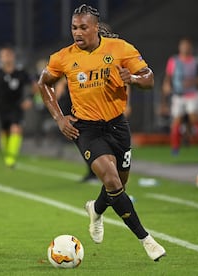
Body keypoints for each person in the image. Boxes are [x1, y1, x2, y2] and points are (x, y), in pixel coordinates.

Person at [37, 4, 166, 261]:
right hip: (86, 129)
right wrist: (60, 118)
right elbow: (44, 83)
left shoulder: (119, 49)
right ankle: (146, 239)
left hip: (118, 126)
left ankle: (95, 210)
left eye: (83, 27)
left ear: (96, 27)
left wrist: (135, 79)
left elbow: (149, 78)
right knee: (111, 180)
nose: (77, 32)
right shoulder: (64, 57)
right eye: (74, 27)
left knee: (119, 184)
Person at [162, 37, 198, 155]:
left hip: (192, 94)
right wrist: (166, 86)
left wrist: (193, 82)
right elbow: (168, 77)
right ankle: (175, 148)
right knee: (176, 121)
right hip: (178, 95)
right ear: (180, 48)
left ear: (190, 48)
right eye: (183, 46)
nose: (185, 48)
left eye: (187, 46)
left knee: (194, 119)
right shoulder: (174, 61)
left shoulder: (196, 61)